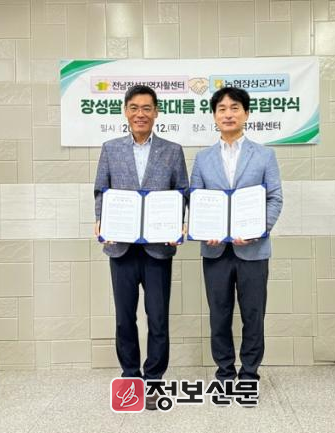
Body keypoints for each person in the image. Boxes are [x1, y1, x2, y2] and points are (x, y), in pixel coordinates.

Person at [93, 85, 188, 410]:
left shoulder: (172, 151)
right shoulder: (111, 149)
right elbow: (101, 191)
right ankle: (131, 377)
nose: (140, 114)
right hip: (121, 248)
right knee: (124, 318)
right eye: (134, 108)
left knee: (158, 318)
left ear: (156, 112)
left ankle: (155, 380)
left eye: (147, 108)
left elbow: (182, 193)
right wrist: (101, 221)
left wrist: (177, 225)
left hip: (158, 249)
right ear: (125, 111)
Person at [190, 87, 283, 387]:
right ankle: (225, 373)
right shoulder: (202, 158)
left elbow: (275, 198)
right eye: (222, 109)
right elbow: (196, 199)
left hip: (253, 250)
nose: (228, 114)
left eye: (234, 108)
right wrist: (205, 230)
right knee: (219, 314)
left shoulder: (265, 155)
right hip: (215, 250)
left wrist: (258, 230)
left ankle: (249, 375)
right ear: (214, 116)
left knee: (253, 315)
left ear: (246, 114)